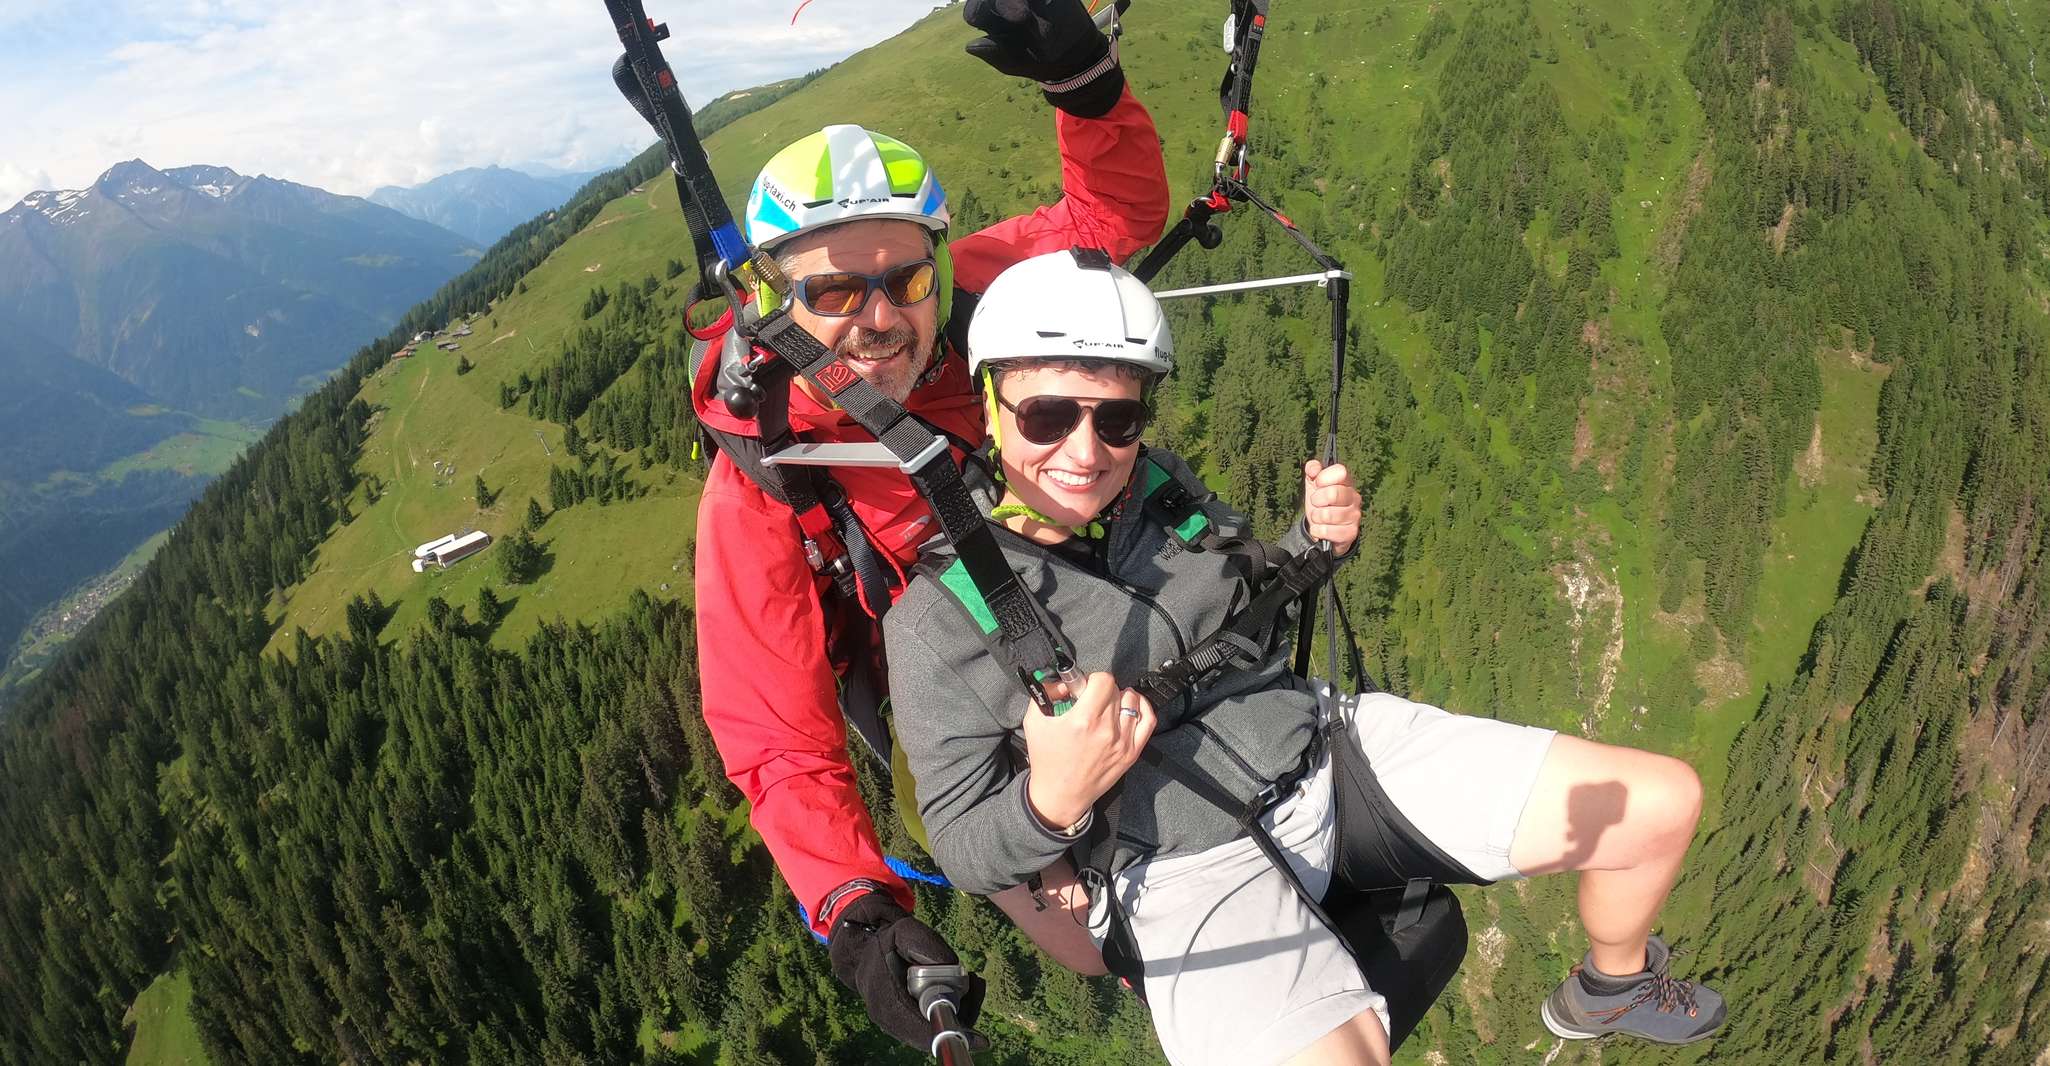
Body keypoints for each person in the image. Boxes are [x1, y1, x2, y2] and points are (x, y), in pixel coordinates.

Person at [884, 250, 1728, 1066]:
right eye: (1047, 415)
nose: (1086, 450)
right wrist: (1051, 800)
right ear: (991, 403)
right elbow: (962, 843)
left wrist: (1313, 544)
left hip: (1323, 751)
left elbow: (1244, 591)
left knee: (1655, 806)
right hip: (1179, 868)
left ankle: (1613, 986)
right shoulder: (935, 622)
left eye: (1118, 418)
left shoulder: (1156, 486)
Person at [687, 0, 1168, 1051]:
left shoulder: (975, 301)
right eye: (830, 292)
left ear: (938, 266)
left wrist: (1086, 93)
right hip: (971, 729)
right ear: (775, 300)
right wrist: (855, 910)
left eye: (902, 277)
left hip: (1099, 620)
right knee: (1127, 946)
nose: (875, 316)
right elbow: (774, 730)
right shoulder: (768, 471)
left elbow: (1110, 221)